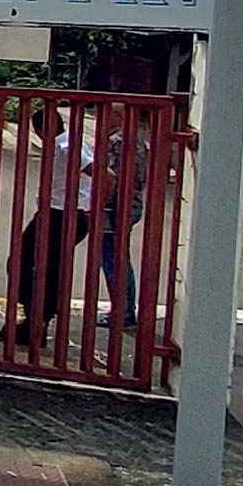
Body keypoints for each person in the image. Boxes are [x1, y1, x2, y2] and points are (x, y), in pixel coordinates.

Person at [15, 105, 93, 348]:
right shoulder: (65, 144)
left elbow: (104, 174)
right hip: (57, 214)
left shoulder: (67, 147)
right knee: (40, 266)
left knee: (29, 263)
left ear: (40, 129)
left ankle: (37, 320)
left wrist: (92, 207)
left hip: (61, 216)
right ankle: (36, 319)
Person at [97, 121, 149, 331]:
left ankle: (123, 311)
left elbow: (111, 177)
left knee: (112, 257)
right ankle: (124, 309)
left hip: (117, 205)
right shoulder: (135, 135)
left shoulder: (118, 139)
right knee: (117, 256)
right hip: (130, 202)